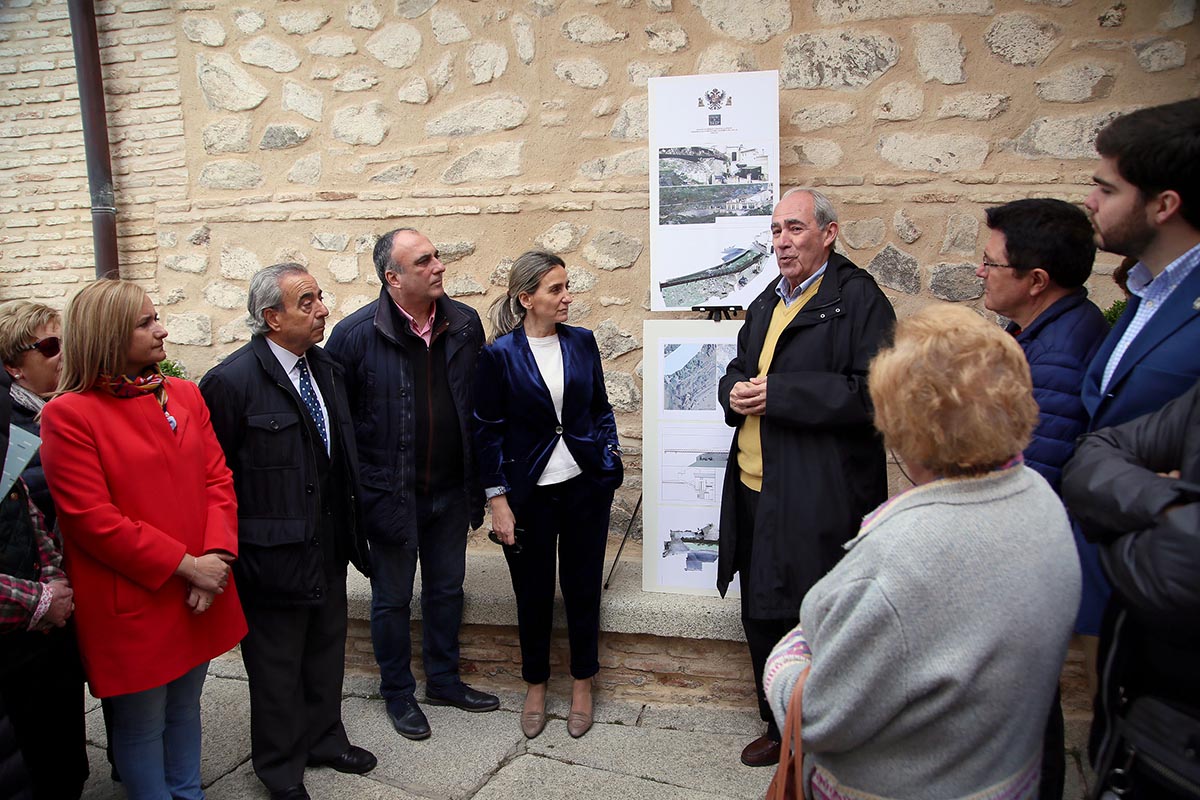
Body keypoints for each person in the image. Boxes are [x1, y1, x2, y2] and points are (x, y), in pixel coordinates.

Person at [764, 304, 1080, 800]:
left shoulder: (901, 552)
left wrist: (787, 656)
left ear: (901, 422)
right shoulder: (1039, 496)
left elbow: (818, 718)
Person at [39, 279, 247, 800]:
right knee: (140, 723)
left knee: (185, 706)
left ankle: (187, 791)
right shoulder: (69, 415)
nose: (162, 329)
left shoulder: (182, 393)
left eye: (157, 317)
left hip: (200, 585)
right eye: (145, 322)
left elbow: (217, 479)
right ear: (108, 334)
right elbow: (92, 519)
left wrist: (215, 558)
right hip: (135, 595)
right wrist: (187, 566)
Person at [717, 188, 895, 767]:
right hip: (751, 485)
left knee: (813, 614)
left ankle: (820, 733)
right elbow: (745, 366)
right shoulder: (769, 298)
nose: (781, 242)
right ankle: (777, 724)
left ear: (829, 233)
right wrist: (733, 390)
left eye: (794, 229)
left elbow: (874, 392)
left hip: (816, 493)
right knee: (760, 610)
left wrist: (784, 394)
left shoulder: (859, 299)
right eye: (775, 231)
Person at [199, 264, 375, 800]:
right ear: (271, 317)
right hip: (268, 556)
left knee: (326, 649)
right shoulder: (230, 382)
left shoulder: (326, 368)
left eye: (320, 297)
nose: (322, 308)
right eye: (307, 302)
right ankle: (279, 768)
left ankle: (325, 738)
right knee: (276, 668)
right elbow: (214, 478)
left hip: (326, 544)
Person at [326, 228, 498, 742]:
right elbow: (342, 425)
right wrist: (360, 498)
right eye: (424, 260)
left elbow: (478, 409)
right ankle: (398, 693)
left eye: (437, 254)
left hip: (450, 489)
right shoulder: (355, 336)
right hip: (390, 495)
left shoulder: (464, 324)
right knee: (391, 599)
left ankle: (444, 681)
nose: (439, 265)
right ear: (393, 278)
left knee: (446, 591)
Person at [978, 198, 1109, 799]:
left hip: (1023, 559)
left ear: (1035, 281)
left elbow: (1034, 476)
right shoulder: (1050, 331)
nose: (980, 271)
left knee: (1025, 710)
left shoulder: (1054, 357)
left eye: (991, 262)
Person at [473, 250, 623, 740]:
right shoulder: (499, 355)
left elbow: (600, 408)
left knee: (582, 589)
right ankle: (536, 684)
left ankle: (583, 682)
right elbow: (487, 431)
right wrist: (498, 499)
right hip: (527, 494)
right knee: (532, 593)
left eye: (566, 287)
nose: (566, 298)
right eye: (555, 289)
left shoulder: (582, 342)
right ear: (526, 298)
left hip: (584, 488)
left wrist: (609, 460)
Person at [1075, 98, 1200, 684]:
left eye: (1106, 188)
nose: (1090, 202)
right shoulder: (1146, 293)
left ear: (1164, 205)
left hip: (1172, 586)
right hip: (1116, 573)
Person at [1062, 380, 1200, 799]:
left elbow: (1171, 565)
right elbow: (1090, 456)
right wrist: (1169, 503)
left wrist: (1124, 516)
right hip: (1145, 735)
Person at [0, 367, 87, 800]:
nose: (60, 357)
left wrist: (53, 578)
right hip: (17, 617)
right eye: (48, 346)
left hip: (47, 603)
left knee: (57, 739)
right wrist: (37, 599)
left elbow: (25, 509)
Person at [0, 301, 63, 529]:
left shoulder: (65, 407)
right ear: (13, 367)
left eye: (65, 342)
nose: (63, 353)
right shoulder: (10, 426)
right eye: (50, 346)